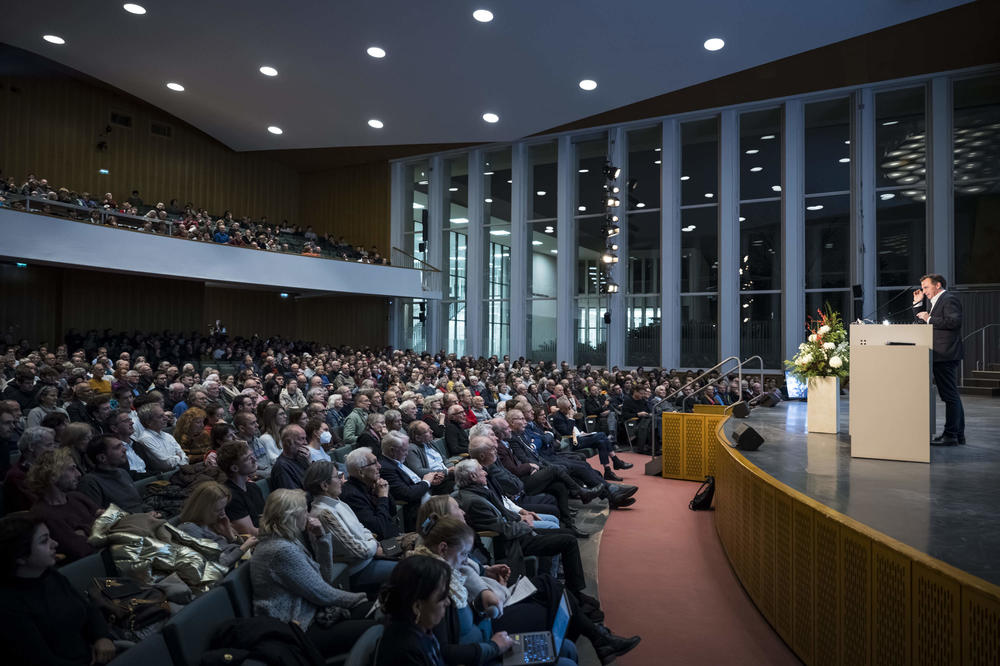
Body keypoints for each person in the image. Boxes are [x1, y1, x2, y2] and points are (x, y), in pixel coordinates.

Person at [250, 489, 373, 657]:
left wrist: (322, 538)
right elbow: (322, 592)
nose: (309, 516)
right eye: (305, 511)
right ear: (292, 516)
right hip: (301, 629)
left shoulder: (287, 540)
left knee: (377, 613)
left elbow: (324, 579)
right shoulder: (281, 550)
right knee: (377, 624)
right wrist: (360, 598)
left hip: (314, 614)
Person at [0, 513, 117, 665]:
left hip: (93, 654)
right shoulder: (8, 606)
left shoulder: (49, 575)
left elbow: (87, 608)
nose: (54, 543)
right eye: (44, 541)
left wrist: (102, 636)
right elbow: (41, 660)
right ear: (20, 557)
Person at [304, 461, 396, 597]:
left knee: (414, 546)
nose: (343, 479)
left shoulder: (337, 502)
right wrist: (374, 546)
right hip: (360, 569)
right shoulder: (323, 514)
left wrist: (373, 542)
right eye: (337, 476)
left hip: (372, 552)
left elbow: (362, 528)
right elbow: (359, 551)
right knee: (411, 568)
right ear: (324, 485)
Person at [912, 274, 966, 445]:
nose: (924, 290)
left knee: (949, 396)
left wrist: (929, 318)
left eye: (926, 287)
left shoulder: (949, 299)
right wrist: (918, 305)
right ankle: (957, 435)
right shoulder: (935, 302)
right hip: (940, 354)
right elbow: (924, 323)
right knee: (952, 395)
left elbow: (954, 322)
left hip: (945, 354)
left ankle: (950, 435)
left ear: (938, 285)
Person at [374, 554, 452, 666]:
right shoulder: (405, 653)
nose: (447, 602)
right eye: (442, 596)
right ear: (417, 607)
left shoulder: (420, 629)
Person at [27, 448, 98, 563]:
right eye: (72, 469)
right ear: (53, 475)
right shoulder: (42, 513)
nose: (79, 474)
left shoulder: (76, 497)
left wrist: (84, 531)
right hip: (92, 572)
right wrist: (97, 525)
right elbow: (80, 550)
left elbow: (112, 521)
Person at [176, 481, 257, 568]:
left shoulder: (214, 522)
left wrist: (229, 534)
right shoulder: (189, 529)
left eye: (224, 508)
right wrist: (243, 548)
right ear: (203, 509)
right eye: (218, 510)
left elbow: (230, 547)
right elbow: (218, 564)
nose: (223, 514)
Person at [550, 398, 632, 481]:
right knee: (602, 434)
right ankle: (616, 460)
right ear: (561, 408)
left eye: (570, 406)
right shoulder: (558, 417)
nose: (570, 409)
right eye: (568, 407)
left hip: (580, 436)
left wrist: (582, 431)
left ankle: (608, 471)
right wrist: (571, 418)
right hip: (573, 441)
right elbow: (567, 432)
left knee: (602, 442)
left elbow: (576, 428)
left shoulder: (568, 412)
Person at [378, 431, 441, 532]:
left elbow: (413, 482)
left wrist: (429, 481)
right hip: (415, 509)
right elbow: (407, 493)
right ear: (392, 450)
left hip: (425, 498)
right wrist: (426, 482)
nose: (407, 454)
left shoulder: (397, 460)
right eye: (404, 450)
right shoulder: (386, 468)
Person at [78, 435, 151, 514]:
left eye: (122, 445)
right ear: (102, 458)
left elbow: (137, 502)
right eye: (117, 447)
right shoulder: (90, 482)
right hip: (126, 524)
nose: (124, 449)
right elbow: (97, 516)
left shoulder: (123, 472)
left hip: (145, 519)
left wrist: (149, 511)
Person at [339, 447, 400, 540]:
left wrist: (383, 493)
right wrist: (383, 497)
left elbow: (392, 511)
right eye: (374, 463)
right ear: (361, 472)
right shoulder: (351, 495)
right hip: (381, 544)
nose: (379, 466)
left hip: (392, 534)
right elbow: (379, 528)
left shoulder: (371, 484)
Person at [3, 426, 57, 513]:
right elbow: (36, 507)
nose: (53, 450)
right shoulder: (17, 476)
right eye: (49, 445)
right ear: (31, 447)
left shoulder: (47, 468)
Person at [218, 439, 264, 536]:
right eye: (248, 458)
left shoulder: (253, 487)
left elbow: (264, 518)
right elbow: (250, 533)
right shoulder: (230, 497)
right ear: (234, 468)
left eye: (252, 456)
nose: (254, 460)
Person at [270, 424, 310, 490]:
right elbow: (293, 497)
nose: (306, 443)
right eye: (302, 439)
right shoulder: (282, 467)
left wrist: (308, 461)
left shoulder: (302, 459)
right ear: (288, 442)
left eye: (305, 438)